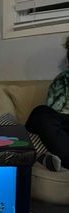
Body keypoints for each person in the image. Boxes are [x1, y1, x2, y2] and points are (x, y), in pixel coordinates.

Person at [26, 36, 69, 171]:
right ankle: (45, 156)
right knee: (40, 112)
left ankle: (43, 156)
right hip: (62, 126)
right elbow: (53, 115)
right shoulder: (63, 79)